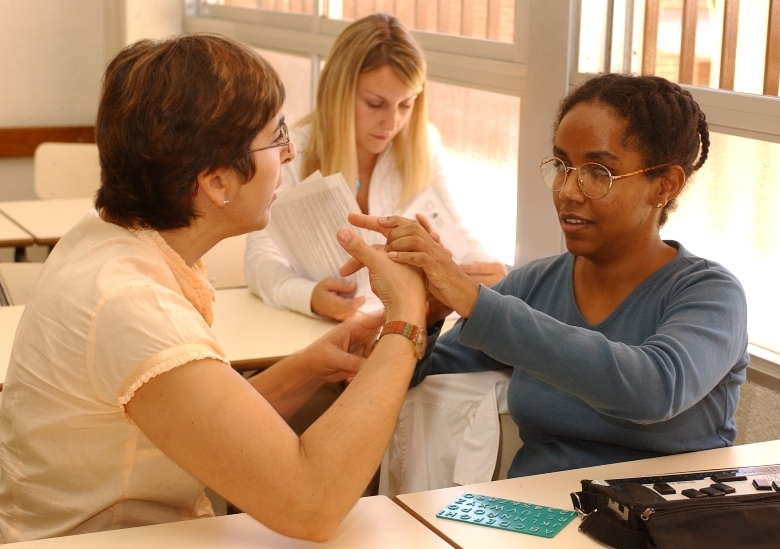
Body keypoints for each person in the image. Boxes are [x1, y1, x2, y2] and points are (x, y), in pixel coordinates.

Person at [0, 34, 427, 543]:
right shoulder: (130, 304)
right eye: (277, 137)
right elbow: (312, 504)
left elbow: (195, 422)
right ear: (217, 182)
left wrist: (308, 368)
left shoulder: (108, 238)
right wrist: (407, 316)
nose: (290, 154)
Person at [346, 73, 749, 479]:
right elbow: (419, 382)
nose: (568, 191)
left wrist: (474, 300)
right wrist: (421, 317)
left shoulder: (711, 294)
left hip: (661, 529)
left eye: (598, 172)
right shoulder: (534, 285)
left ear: (664, 185)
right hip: (534, 520)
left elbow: (654, 389)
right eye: (562, 165)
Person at [244, 13, 505, 322]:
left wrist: (492, 275)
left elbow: (460, 236)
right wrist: (309, 296)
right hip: (315, 334)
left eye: (405, 105)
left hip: (404, 329)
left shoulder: (423, 144)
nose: (391, 123)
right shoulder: (290, 154)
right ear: (339, 93)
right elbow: (259, 262)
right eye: (375, 104)